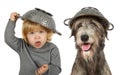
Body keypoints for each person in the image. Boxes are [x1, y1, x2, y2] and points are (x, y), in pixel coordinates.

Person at [5, 8, 61, 75]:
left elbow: (57, 69)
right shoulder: (22, 46)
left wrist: (48, 68)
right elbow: (9, 39)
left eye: (41, 32)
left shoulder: (52, 48)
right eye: (32, 33)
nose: (37, 37)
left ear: (48, 33)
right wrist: (12, 21)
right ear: (26, 35)